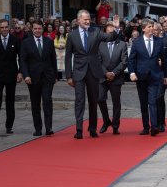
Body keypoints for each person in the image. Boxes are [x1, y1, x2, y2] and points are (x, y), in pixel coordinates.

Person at [65, 9, 120, 139]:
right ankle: (79, 129)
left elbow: (109, 37)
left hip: (93, 72)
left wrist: (116, 28)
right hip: (78, 72)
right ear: (79, 20)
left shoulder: (95, 31)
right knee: (79, 101)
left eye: (89, 19)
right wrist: (68, 76)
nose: (87, 21)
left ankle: (92, 128)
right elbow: (68, 57)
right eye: (85, 19)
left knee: (93, 101)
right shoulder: (72, 35)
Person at [128, 18, 167, 136]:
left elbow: (164, 60)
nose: (152, 29)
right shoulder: (137, 42)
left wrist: (166, 75)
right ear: (144, 28)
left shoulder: (159, 41)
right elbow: (131, 60)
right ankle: (146, 127)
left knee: (153, 101)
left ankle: (154, 126)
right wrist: (132, 73)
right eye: (149, 27)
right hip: (140, 77)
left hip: (155, 76)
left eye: (153, 27)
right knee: (143, 103)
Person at [20, 20, 58, 136]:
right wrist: (26, 75)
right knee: (35, 103)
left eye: (39, 29)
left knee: (47, 101)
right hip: (32, 78)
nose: (37, 31)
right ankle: (38, 128)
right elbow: (23, 61)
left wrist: (55, 75)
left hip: (47, 77)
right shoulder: (26, 43)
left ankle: (48, 128)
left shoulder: (49, 41)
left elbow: (53, 60)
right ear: (32, 29)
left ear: (43, 29)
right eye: (35, 29)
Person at [0, 19, 23, 134]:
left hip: (11, 75)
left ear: (9, 28)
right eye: (2, 27)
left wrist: (20, 72)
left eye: (6, 27)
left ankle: (9, 126)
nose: (4, 29)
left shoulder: (15, 40)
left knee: (10, 100)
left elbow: (20, 57)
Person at [97, 22, 128, 135]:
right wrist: (106, 73)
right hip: (102, 77)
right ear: (104, 33)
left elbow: (124, 62)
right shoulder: (100, 44)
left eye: (113, 31)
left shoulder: (122, 44)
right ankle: (106, 121)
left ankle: (115, 125)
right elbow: (98, 61)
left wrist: (114, 73)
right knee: (100, 99)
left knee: (116, 102)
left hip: (117, 77)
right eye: (108, 32)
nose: (111, 34)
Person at [153, 22, 167, 132]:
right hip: (151, 75)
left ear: (160, 30)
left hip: (162, 74)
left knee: (159, 97)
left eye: (157, 29)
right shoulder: (150, 42)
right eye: (153, 29)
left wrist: (163, 61)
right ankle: (155, 121)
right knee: (153, 99)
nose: (155, 31)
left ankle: (161, 122)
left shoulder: (166, 42)